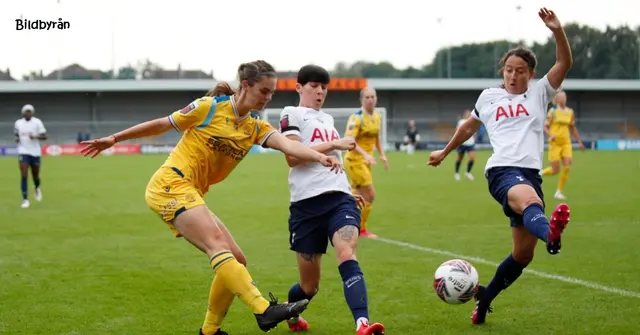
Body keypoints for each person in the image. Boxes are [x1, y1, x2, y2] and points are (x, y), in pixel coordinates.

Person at [80, 60, 344, 335]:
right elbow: (162, 124)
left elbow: (290, 146)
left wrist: (321, 156)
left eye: (272, 93)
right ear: (246, 85)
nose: (268, 98)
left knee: (237, 260)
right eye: (264, 91)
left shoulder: (255, 127)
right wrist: (114, 138)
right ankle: (263, 309)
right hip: (169, 184)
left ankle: (210, 331)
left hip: (189, 191)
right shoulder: (209, 108)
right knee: (217, 245)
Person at [427, 8, 573, 325]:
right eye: (508, 69)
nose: (512, 75)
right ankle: (551, 232)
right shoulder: (489, 97)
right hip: (502, 172)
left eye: (520, 70)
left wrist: (557, 31)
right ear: (502, 71)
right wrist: (445, 151)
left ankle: (482, 304)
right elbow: (468, 127)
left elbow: (564, 63)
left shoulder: (540, 92)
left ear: (530, 74)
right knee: (531, 203)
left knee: (522, 255)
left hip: (530, 175)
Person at [278, 65, 385, 335]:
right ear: (299, 87)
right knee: (309, 286)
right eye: (314, 86)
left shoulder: (327, 119)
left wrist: (349, 191)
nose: (320, 91)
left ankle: (362, 324)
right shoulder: (291, 114)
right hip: (306, 206)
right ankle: (290, 315)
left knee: (347, 252)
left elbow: (334, 163)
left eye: (324, 87)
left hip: (340, 200)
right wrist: (333, 144)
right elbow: (292, 156)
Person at [343, 87, 388, 239]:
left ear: (376, 98)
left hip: (367, 161)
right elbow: (350, 140)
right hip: (354, 160)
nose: (370, 99)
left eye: (372, 96)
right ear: (362, 100)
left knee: (356, 195)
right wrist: (365, 155)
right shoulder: (357, 118)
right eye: (367, 97)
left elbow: (376, 138)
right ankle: (361, 229)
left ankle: (344, 218)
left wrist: (382, 155)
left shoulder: (376, 117)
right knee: (370, 194)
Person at [541, 90, 585, 199]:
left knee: (567, 165)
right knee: (555, 170)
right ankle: (539, 173)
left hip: (566, 143)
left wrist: (579, 141)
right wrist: (550, 135)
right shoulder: (553, 112)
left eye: (564, 96)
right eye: (561, 97)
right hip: (555, 143)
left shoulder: (570, 112)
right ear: (557, 99)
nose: (563, 98)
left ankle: (559, 192)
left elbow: (572, 128)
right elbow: (545, 126)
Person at [14, 104, 47, 208]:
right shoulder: (18, 123)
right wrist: (17, 139)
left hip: (35, 152)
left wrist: (35, 136)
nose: (28, 113)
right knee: (24, 174)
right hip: (23, 151)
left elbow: (44, 136)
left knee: (35, 175)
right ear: (23, 113)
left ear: (32, 113)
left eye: (29, 111)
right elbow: (16, 135)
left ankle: (37, 188)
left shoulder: (37, 122)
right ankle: (25, 200)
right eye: (26, 111)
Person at [454, 110, 477, 181]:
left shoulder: (473, 122)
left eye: (470, 114)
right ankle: (457, 173)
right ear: (464, 115)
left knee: (472, 158)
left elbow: (475, 132)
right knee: (460, 159)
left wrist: (472, 132)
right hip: (462, 143)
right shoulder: (461, 122)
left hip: (471, 143)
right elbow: (457, 131)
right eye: (467, 114)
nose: (469, 115)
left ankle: (468, 172)